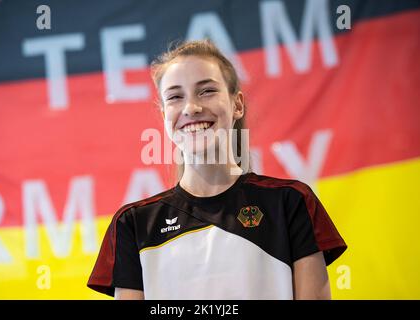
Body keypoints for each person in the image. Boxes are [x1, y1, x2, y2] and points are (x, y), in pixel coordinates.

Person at [87, 39, 347, 300]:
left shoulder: (291, 202)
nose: (191, 108)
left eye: (207, 91)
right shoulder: (133, 224)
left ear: (237, 105)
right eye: (176, 97)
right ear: (164, 113)